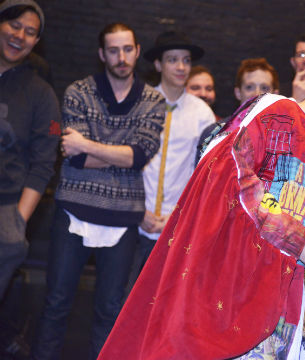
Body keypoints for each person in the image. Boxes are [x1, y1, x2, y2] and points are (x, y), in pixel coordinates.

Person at [98, 45, 305, 360]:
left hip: (268, 316)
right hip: (223, 303)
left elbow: (285, 248)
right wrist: (302, 241)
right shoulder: (277, 109)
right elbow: (228, 172)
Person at [31, 23, 165, 359]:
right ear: (102, 54)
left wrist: (90, 146)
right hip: (73, 210)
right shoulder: (79, 91)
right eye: (114, 50)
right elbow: (73, 159)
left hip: (122, 219)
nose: (122, 58)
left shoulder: (153, 100)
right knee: (56, 303)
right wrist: (120, 153)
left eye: (128, 49)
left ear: (136, 50)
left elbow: (139, 157)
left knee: (110, 311)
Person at [130, 31, 215, 283]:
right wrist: (136, 210)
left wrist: (178, 215)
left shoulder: (202, 114)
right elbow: (127, 165)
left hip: (177, 226)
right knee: (120, 302)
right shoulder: (139, 103)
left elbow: (204, 175)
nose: (181, 67)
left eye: (186, 60)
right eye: (172, 60)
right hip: (135, 222)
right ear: (158, 64)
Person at [0, 0, 60, 300]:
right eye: (14, 25)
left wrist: (16, 222)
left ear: (36, 41)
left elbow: (43, 164)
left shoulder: (41, 94)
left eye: (30, 32)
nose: (20, 36)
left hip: (5, 208)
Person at [195, 57, 280, 163]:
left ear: (275, 95)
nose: (257, 94)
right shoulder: (214, 133)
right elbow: (201, 178)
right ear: (238, 93)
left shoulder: (283, 136)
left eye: (264, 88)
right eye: (249, 87)